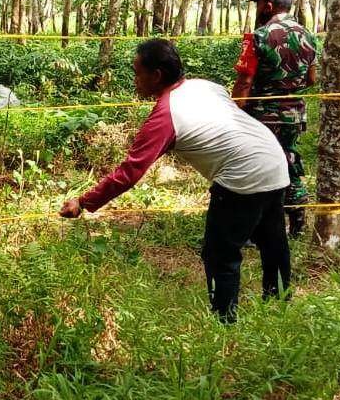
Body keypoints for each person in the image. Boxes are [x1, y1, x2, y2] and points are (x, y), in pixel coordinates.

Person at [60, 39, 290, 323]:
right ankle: (279, 305)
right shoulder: (205, 85)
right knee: (272, 240)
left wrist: (83, 201)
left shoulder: (165, 116)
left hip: (242, 173)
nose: (135, 80)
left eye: (137, 72)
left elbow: (129, 172)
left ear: (156, 75)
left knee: (221, 252)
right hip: (274, 158)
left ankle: (225, 324)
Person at [231, 0, 317, 238]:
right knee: (288, 160)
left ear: (268, 5)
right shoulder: (308, 35)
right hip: (295, 114)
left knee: (258, 167)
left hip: (263, 116)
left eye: (258, 4)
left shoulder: (258, 37)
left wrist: (233, 113)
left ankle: (254, 229)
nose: (257, 9)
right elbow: (312, 79)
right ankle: (298, 219)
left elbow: (245, 81)